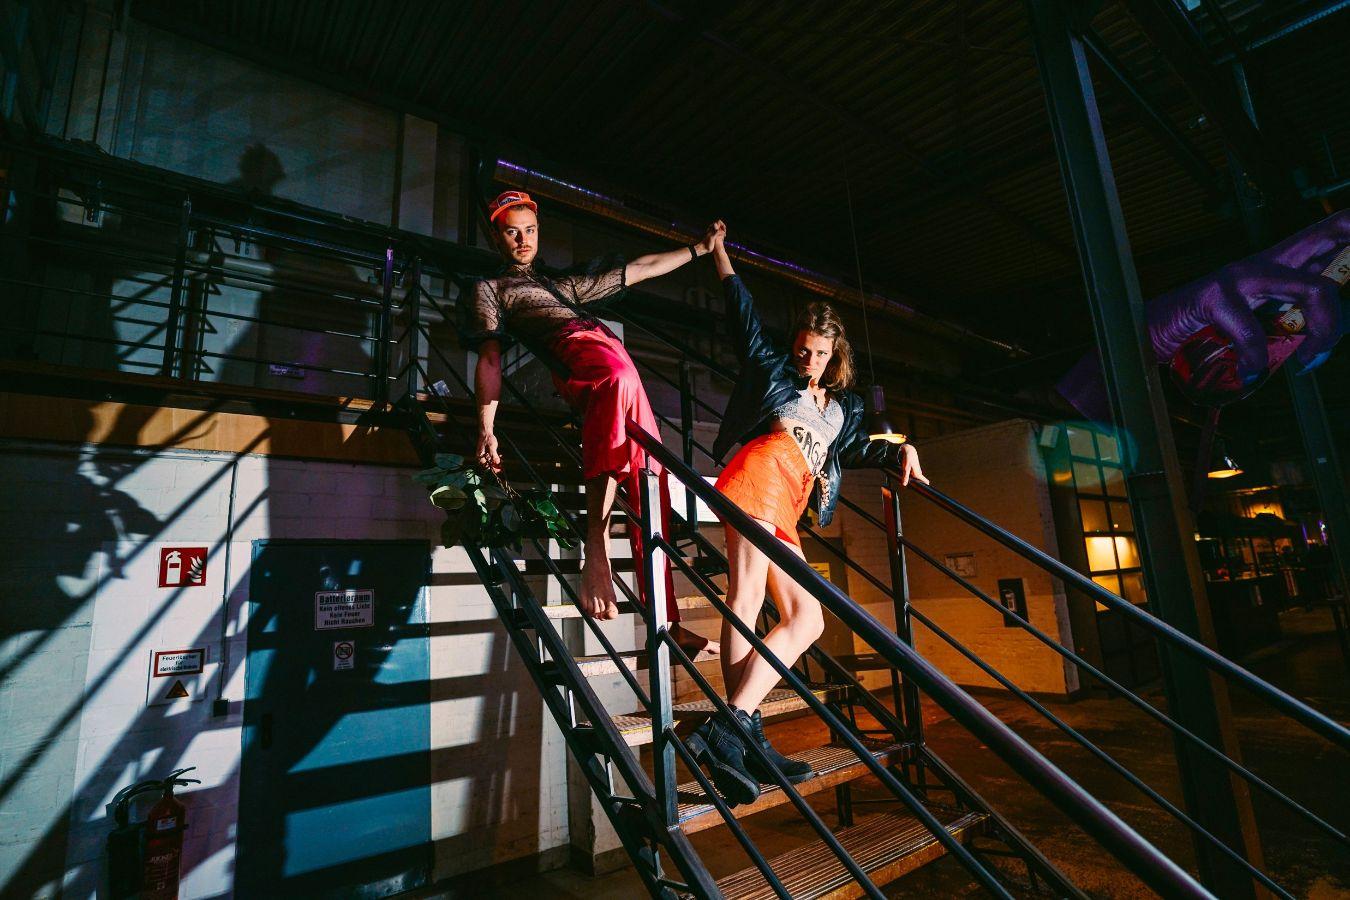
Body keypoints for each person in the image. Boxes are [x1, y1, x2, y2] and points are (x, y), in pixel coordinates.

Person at [685, 229, 927, 805]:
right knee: (774, 610)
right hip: (759, 475)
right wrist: (720, 254)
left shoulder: (841, 412)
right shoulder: (775, 374)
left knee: (786, 614)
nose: (810, 361)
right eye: (803, 350)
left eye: (820, 353)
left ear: (834, 355)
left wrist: (902, 450)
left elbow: (861, 450)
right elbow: (741, 313)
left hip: (787, 502)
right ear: (793, 347)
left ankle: (736, 728)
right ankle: (734, 724)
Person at [467, 190, 722, 655]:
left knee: (652, 483)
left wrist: (699, 250)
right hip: (588, 362)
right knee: (618, 375)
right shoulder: (493, 289)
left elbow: (639, 269)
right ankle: (596, 549)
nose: (523, 240)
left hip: (616, 362)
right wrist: (487, 427)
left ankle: (669, 622)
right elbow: (489, 358)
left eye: (530, 230)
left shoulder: (564, 284)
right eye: (511, 231)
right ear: (496, 236)